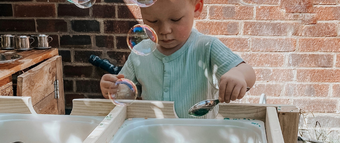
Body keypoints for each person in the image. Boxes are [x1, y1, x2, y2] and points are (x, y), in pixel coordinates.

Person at [100, 0, 256, 118]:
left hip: (201, 141)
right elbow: (124, 92)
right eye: (153, 21)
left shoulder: (206, 46)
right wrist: (112, 88)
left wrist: (239, 74)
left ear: (196, 7)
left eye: (175, 19)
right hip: (156, 139)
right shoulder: (139, 52)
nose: (164, 30)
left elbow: (248, 72)